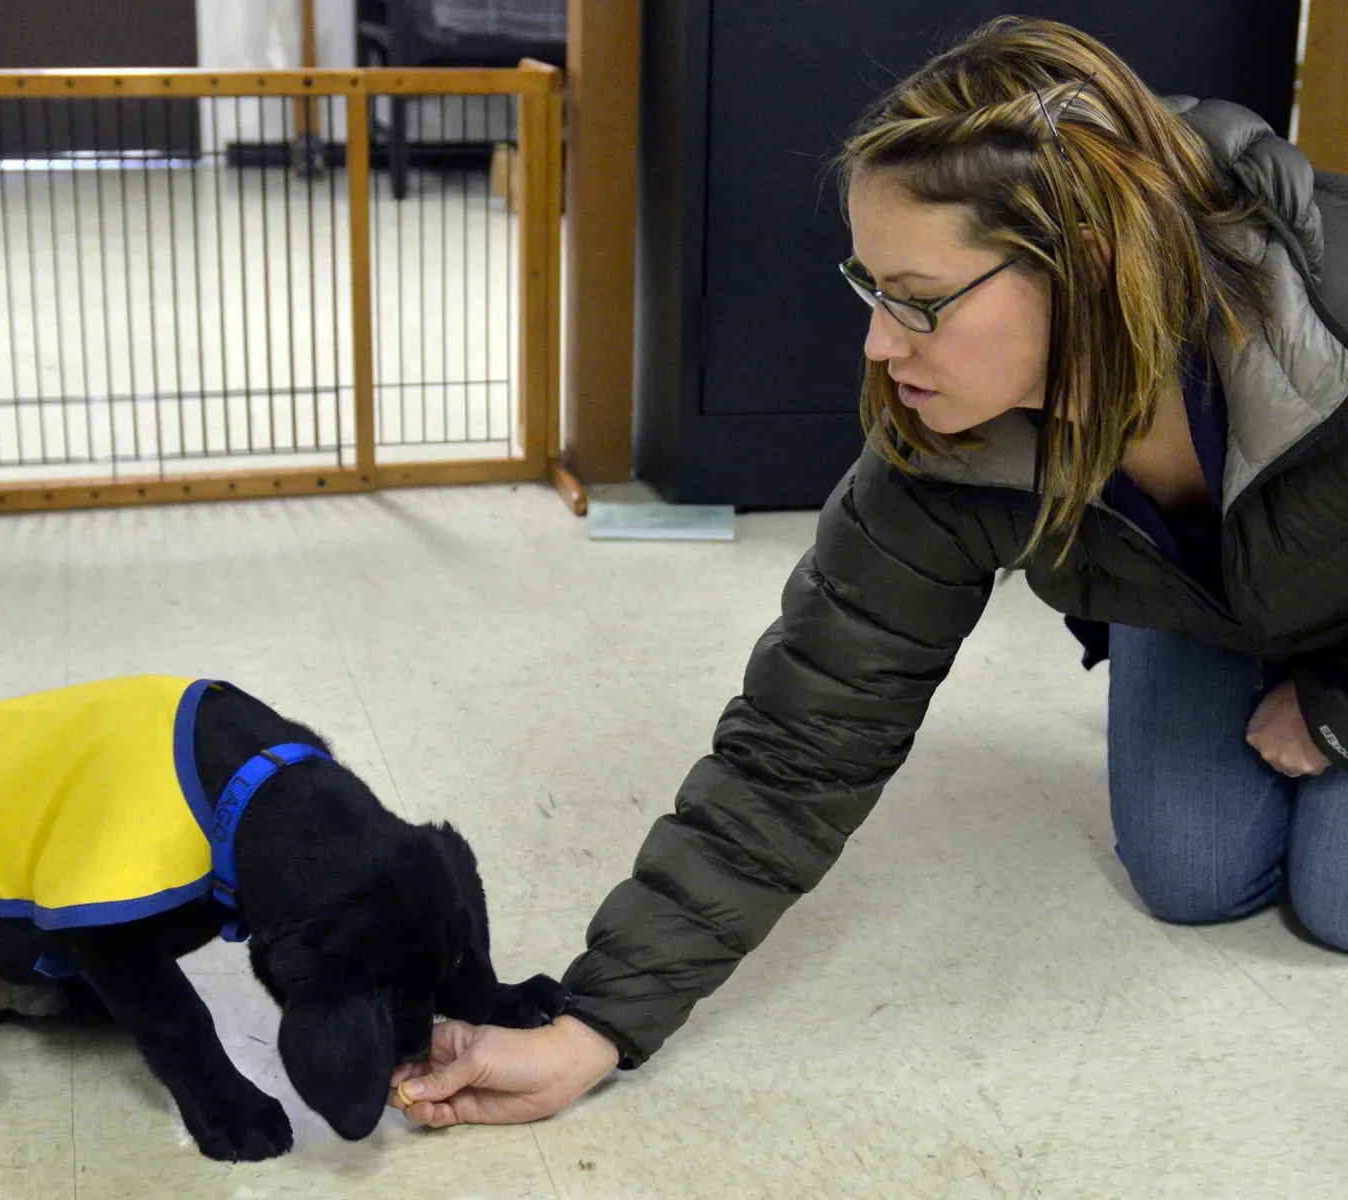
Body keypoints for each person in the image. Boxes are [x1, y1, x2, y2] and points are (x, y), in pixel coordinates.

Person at [389, 15, 1348, 1129]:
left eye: (919, 299)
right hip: (1200, 606)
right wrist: (593, 1025)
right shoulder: (945, 435)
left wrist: (1332, 706)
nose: (880, 345)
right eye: (871, 288)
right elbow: (807, 733)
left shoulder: (1328, 312)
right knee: (1194, 878)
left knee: (1336, 900)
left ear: (1085, 264)